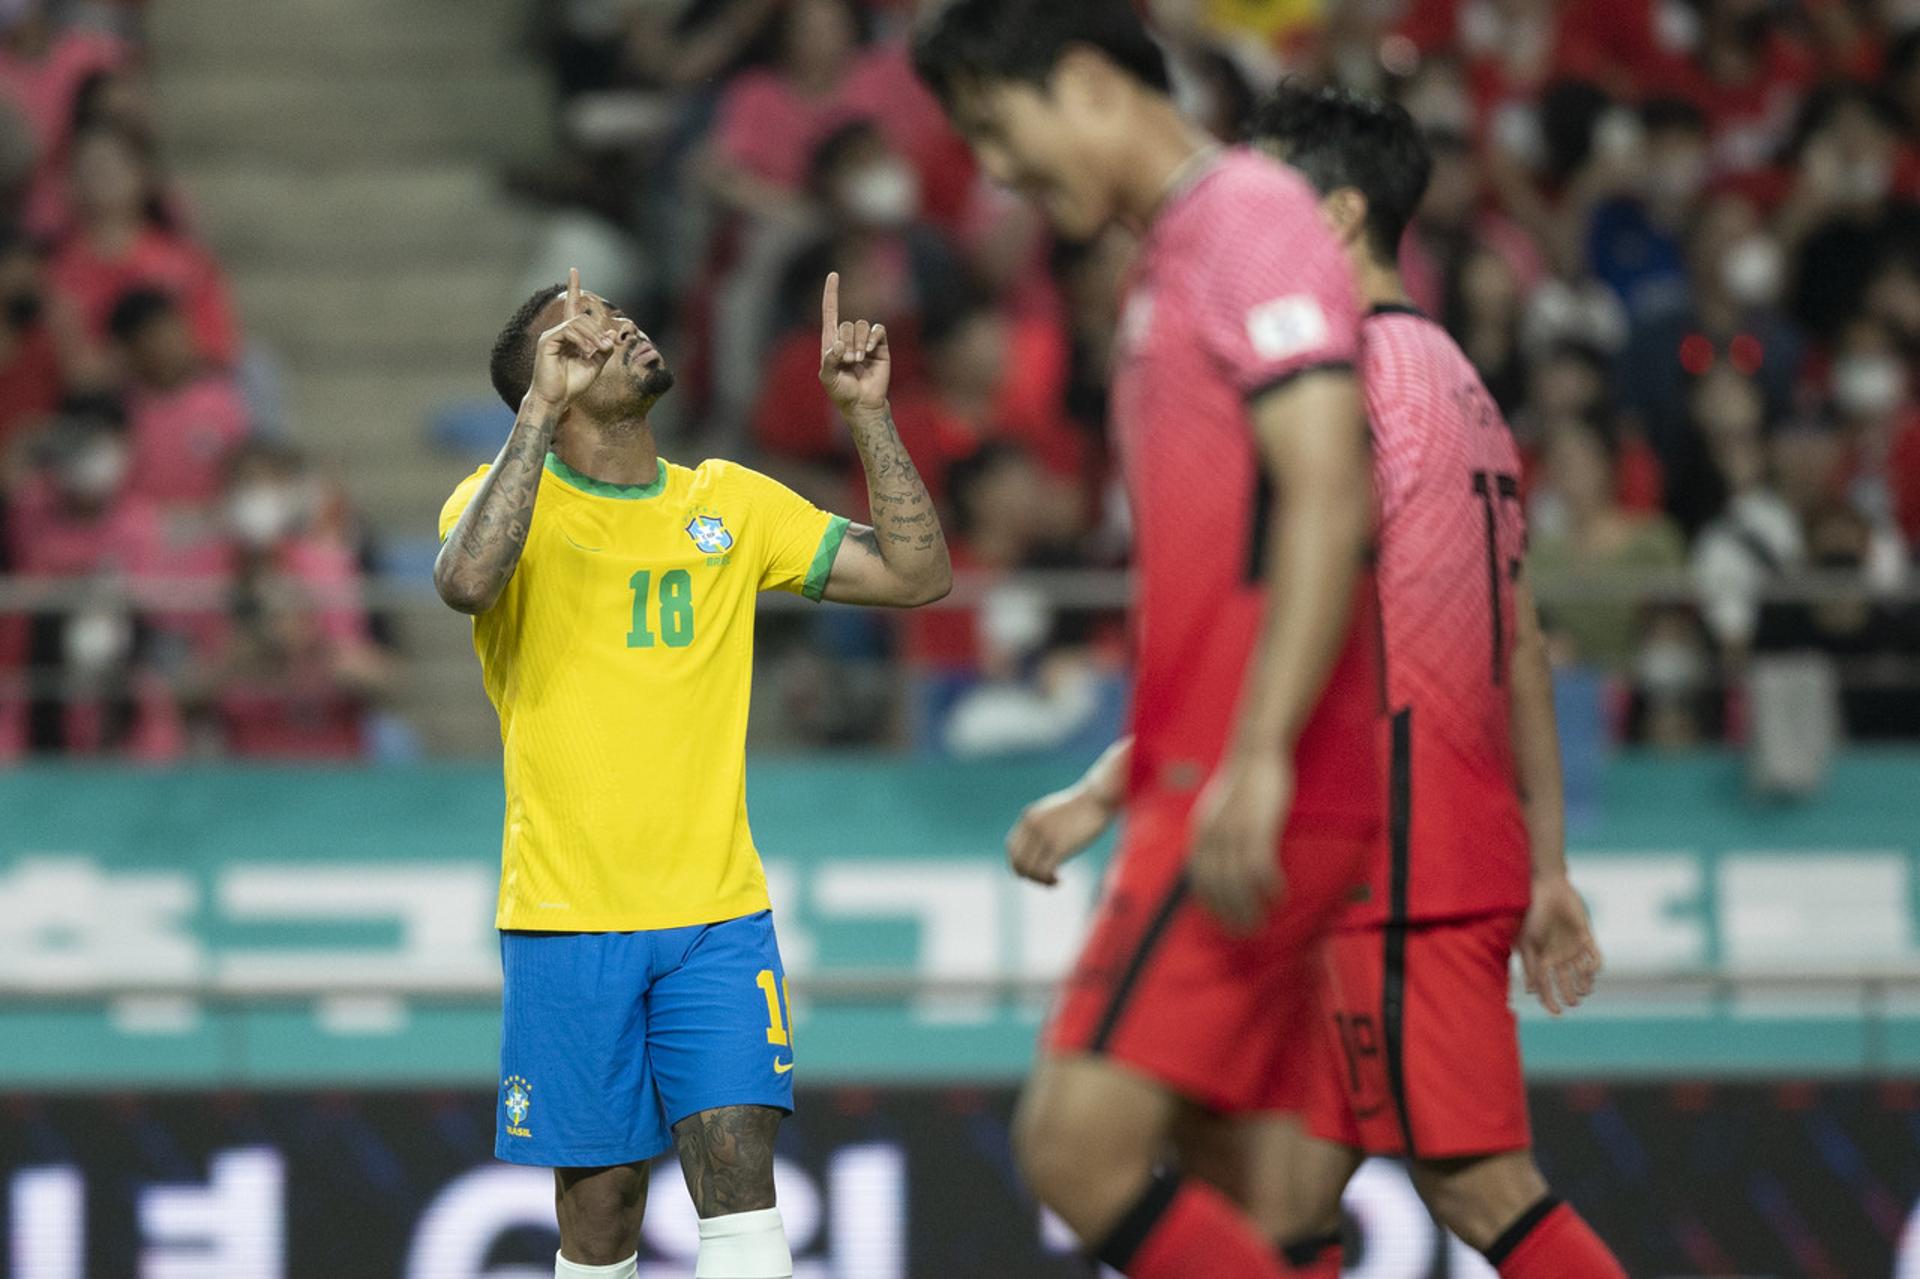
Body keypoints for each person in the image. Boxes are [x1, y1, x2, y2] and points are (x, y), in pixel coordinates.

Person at [915, 7, 1381, 1277]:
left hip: (1247, 787)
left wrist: (1262, 753)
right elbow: (1228, 572)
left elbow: (1332, 488)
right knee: (1251, 1190)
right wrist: (1120, 773)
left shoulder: (1245, 218)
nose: (997, 171)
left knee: (1076, 1149)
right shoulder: (1173, 258)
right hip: (1212, 769)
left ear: (1088, 83)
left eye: (999, 131)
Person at [432, 268, 949, 1279]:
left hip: (716, 912)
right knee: (601, 1210)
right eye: (575, 333)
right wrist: (537, 408)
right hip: (566, 914)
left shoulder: (732, 504)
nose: (614, 326)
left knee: (737, 1169)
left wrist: (868, 417)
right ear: (546, 379)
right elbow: (463, 582)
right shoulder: (501, 507)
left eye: (613, 314)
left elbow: (918, 574)